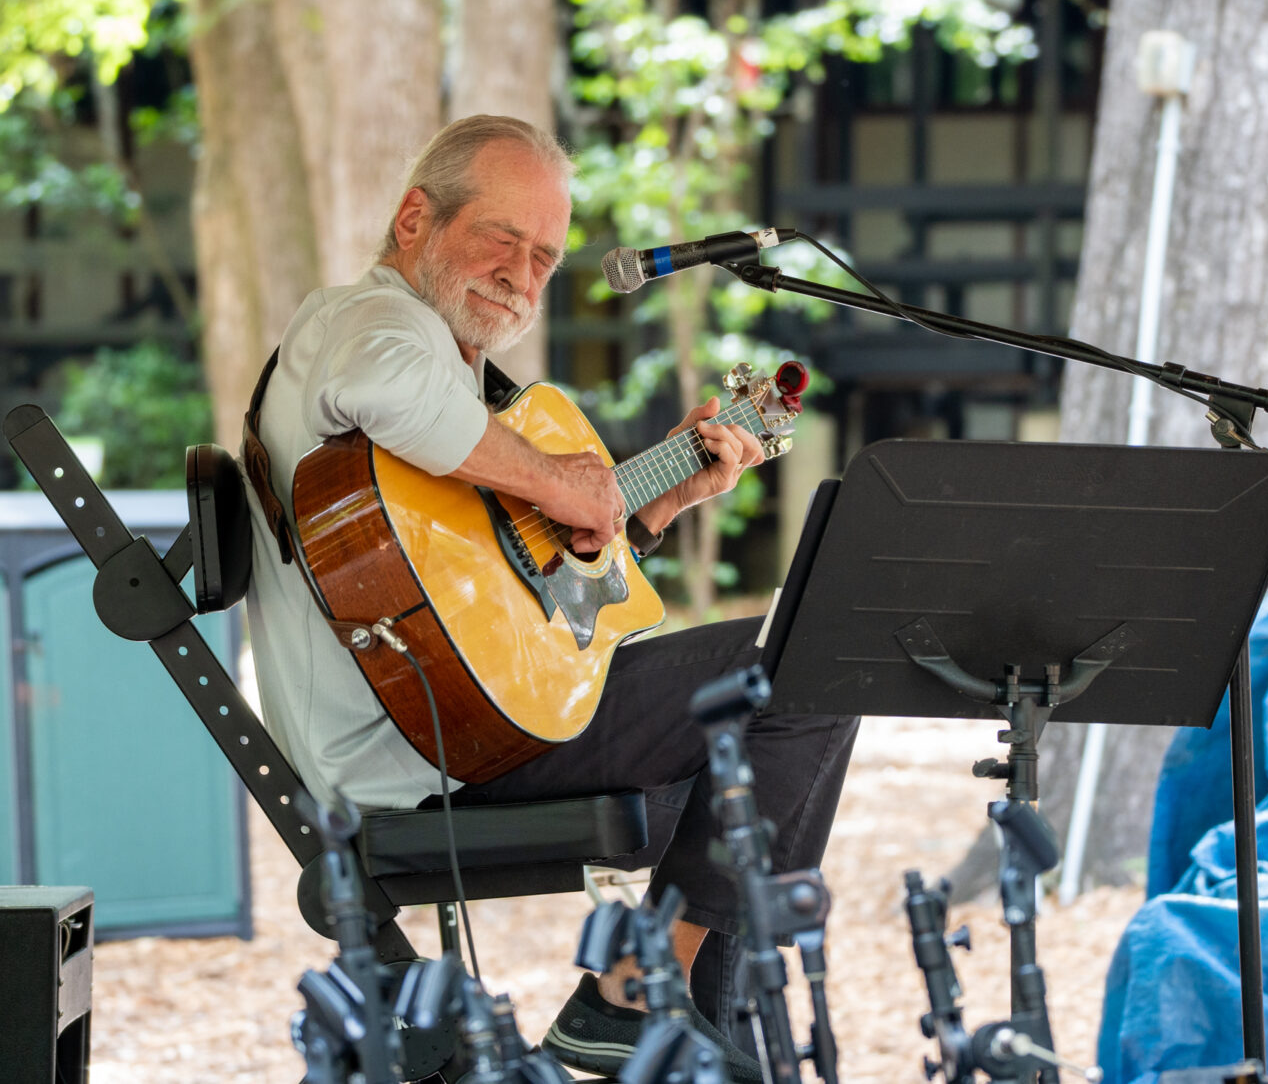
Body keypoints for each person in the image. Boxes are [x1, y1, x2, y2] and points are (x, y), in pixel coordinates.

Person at [242, 114, 859, 1082]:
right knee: (816, 653)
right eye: (503, 238)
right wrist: (561, 480)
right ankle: (644, 996)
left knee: (769, 731)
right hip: (425, 743)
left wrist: (654, 501)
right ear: (415, 218)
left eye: (546, 255)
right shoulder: (363, 321)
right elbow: (384, 382)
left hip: (461, 715)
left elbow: (515, 602)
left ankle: (683, 1005)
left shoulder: (463, 387)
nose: (525, 275)